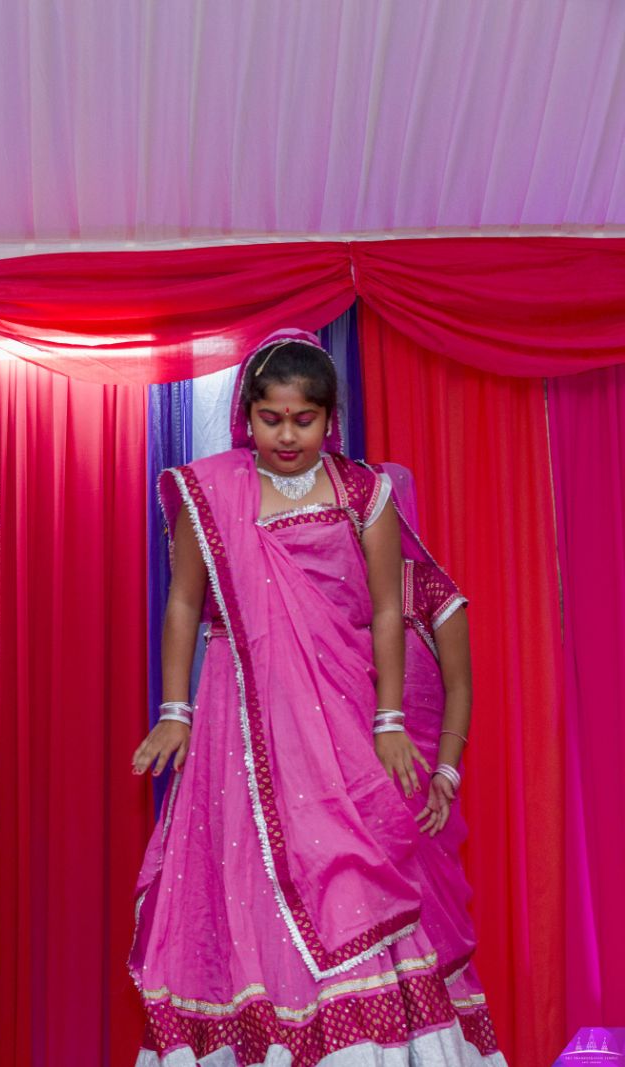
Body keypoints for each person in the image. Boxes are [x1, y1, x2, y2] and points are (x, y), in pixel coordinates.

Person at [127, 332, 502, 1063]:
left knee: (351, 867)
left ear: (331, 419)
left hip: (339, 716)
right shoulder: (212, 492)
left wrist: (390, 720)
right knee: (245, 870)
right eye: (271, 418)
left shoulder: (364, 492)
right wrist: (175, 711)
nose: (288, 434)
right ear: (247, 416)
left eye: (304, 419)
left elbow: (389, 609)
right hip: (237, 719)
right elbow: (182, 605)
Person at [374, 462, 498, 1049]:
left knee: (429, 906)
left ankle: (440, 1050)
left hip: (419, 776)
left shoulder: (428, 586)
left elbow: (461, 687)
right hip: (354, 777)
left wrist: (447, 771)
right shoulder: (340, 587)